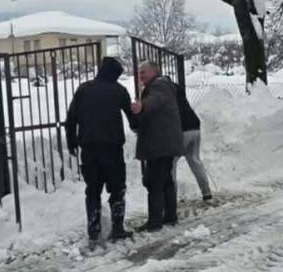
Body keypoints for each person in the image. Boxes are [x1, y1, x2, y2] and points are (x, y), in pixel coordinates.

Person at [65, 57, 135, 249]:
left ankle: (93, 230)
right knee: (117, 189)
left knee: (93, 190)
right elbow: (132, 117)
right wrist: (139, 124)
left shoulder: (83, 89)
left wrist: (71, 142)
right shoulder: (119, 91)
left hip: (89, 150)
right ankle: (118, 228)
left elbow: (71, 119)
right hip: (112, 149)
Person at [131, 61, 184, 231]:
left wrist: (143, 105)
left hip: (160, 143)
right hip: (163, 142)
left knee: (154, 182)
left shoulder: (160, 86)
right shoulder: (158, 86)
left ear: (155, 71)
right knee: (166, 180)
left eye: (144, 72)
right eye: (139, 72)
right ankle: (170, 216)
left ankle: (155, 222)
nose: (141, 75)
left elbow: (156, 100)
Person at [173, 83, 213, 201]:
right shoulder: (178, 91)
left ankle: (171, 198)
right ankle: (206, 192)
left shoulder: (164, 93)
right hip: (194, 125)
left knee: (171, 163)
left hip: (181, 129)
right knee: (195, 159)